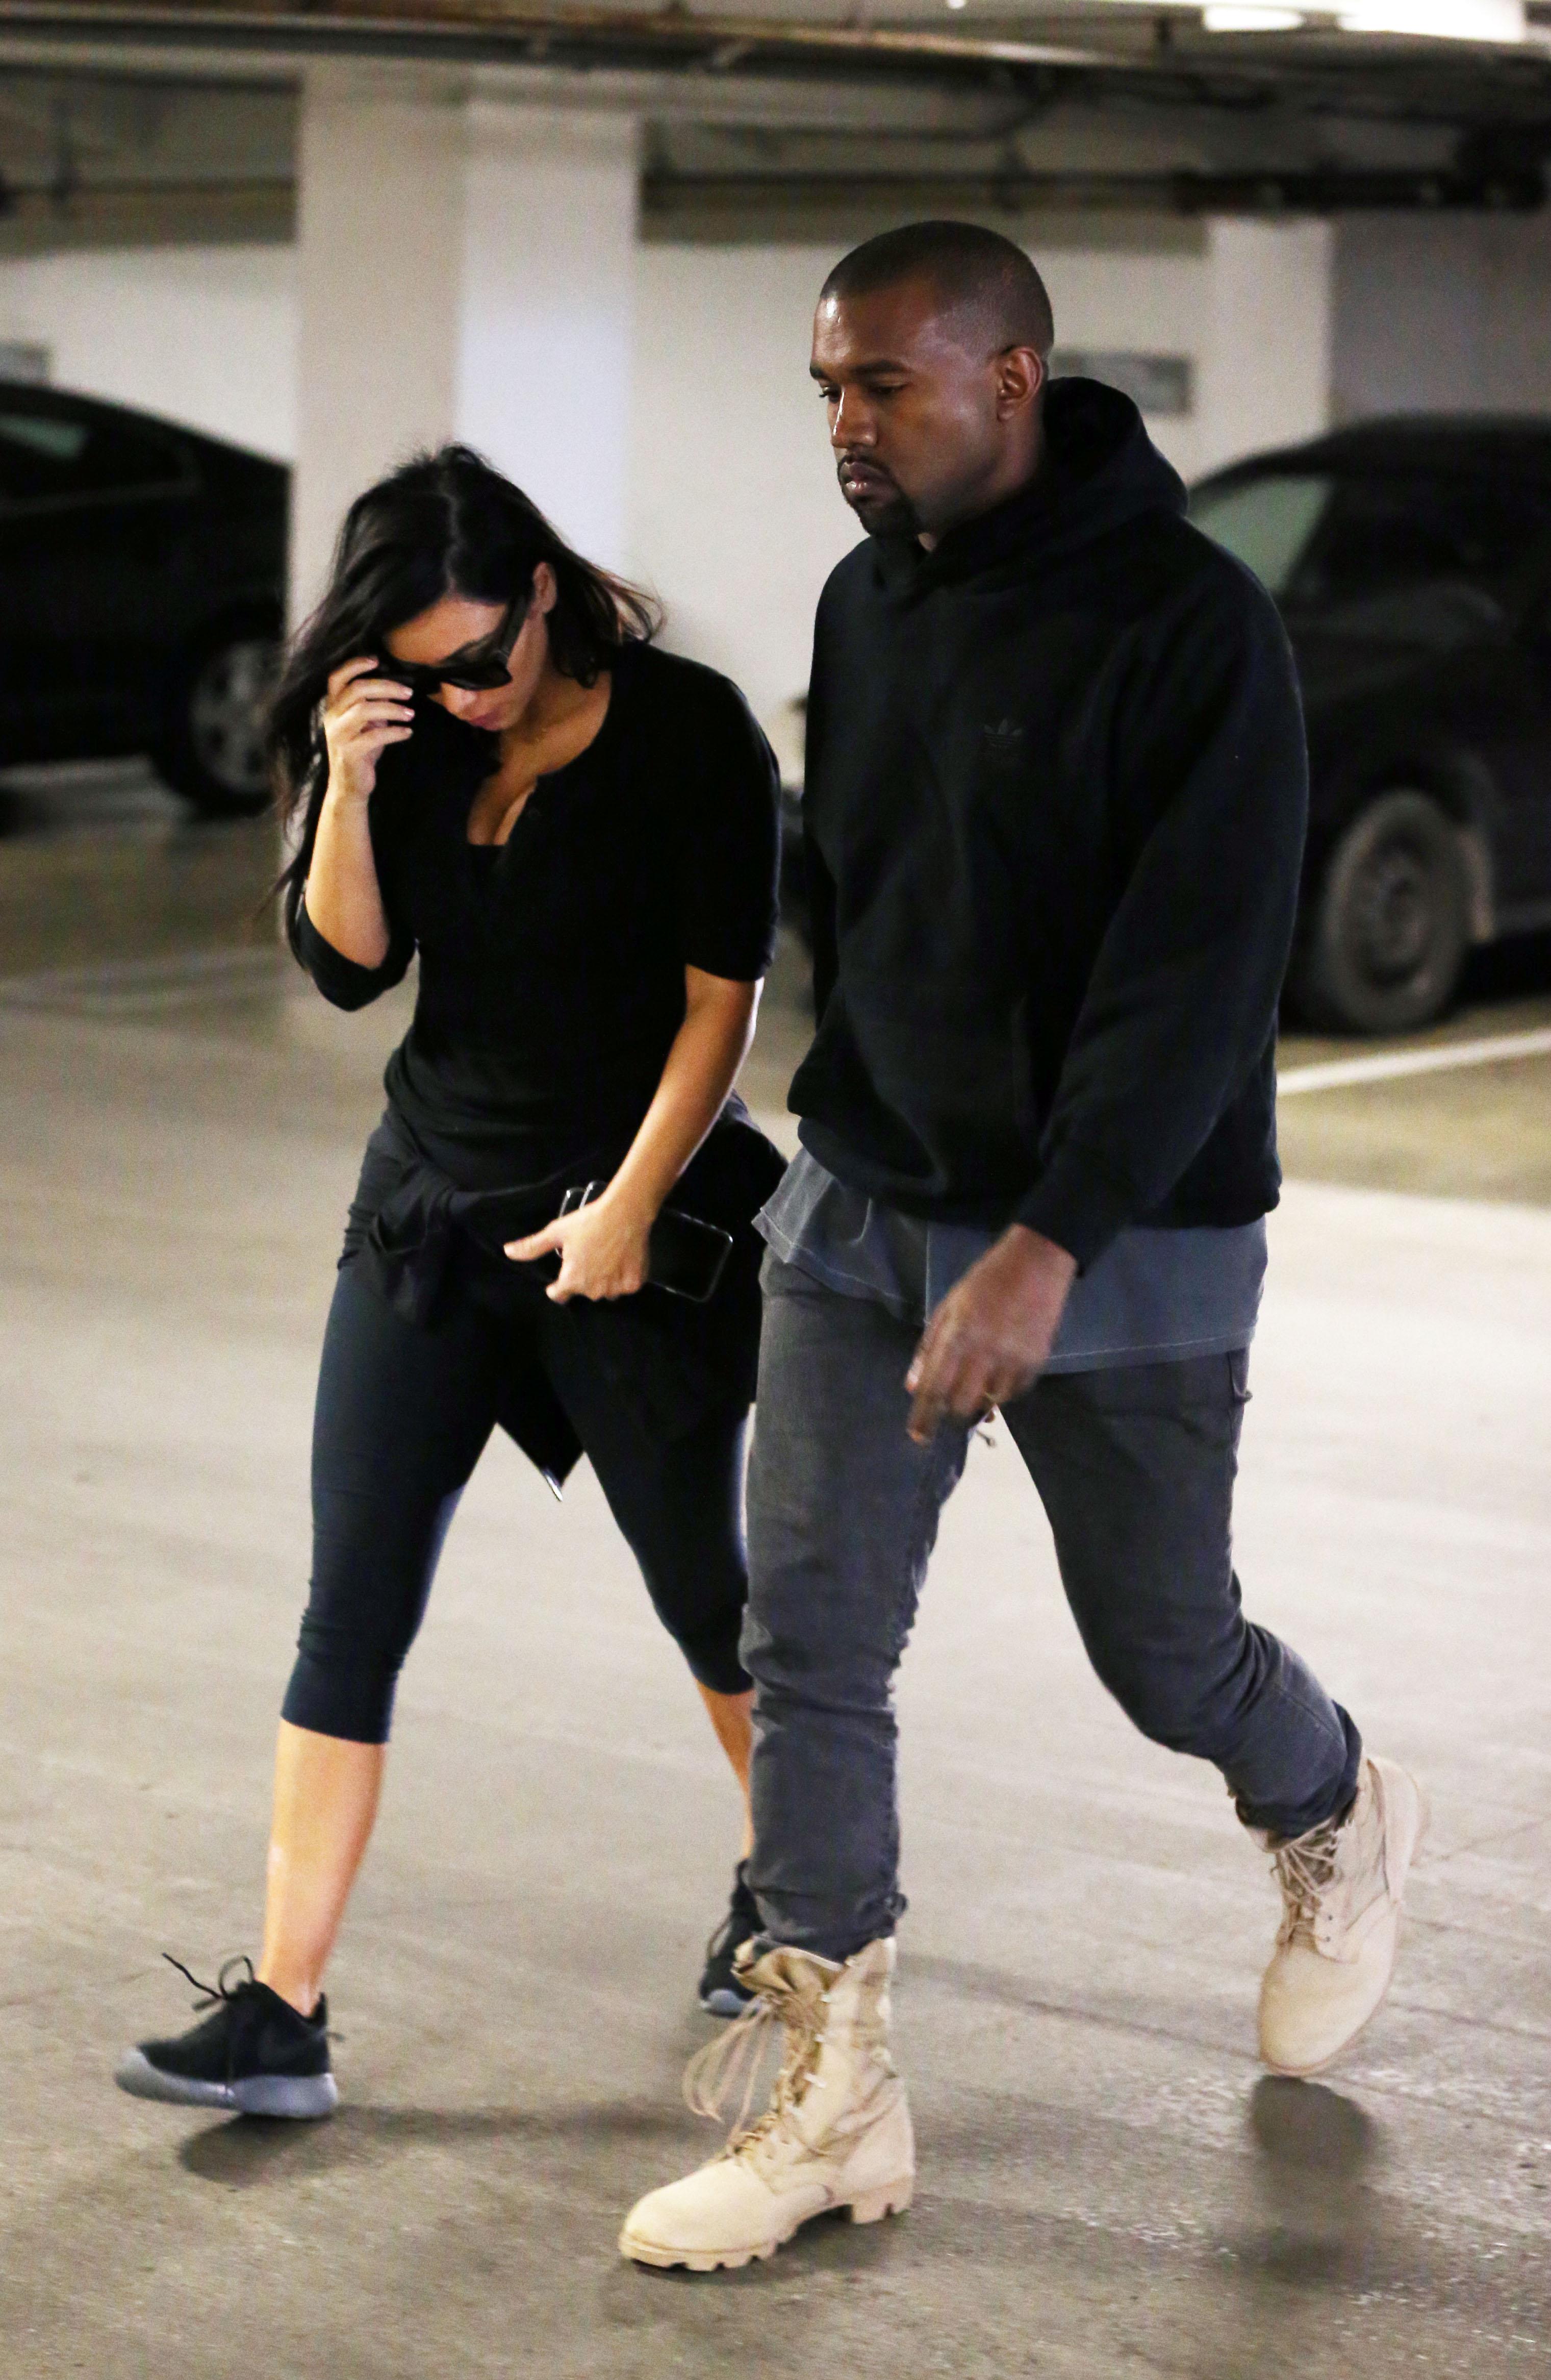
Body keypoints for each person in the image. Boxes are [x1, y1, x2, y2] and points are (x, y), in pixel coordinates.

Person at [619, 222, 1427, 2271]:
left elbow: (1195, 977)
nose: (844, 427)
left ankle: (1328, 1802)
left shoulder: (1190, 628)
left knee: (1159, 1650)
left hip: (1124, 1234)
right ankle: (835, 2099)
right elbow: (864, 906)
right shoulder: (862, 604)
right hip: (868, 1204)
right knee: (808, 1640)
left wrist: (1043, 1240)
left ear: (1007, 378)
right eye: (823, 389)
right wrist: (826, 1157)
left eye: (880, 385)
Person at [116, 446, 782, 2119]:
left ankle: (800, 1895)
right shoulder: (403, 737)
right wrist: (346, 781)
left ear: (544, 592)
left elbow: (725, 1004)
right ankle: (283, 2008)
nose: (461, 696)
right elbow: (349, 972)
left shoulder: (689, 730)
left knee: (711, 1598)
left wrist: (631, 1207)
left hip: (619, 1229)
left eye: (482, 658)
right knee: (350, 1606)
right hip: (423, 1212)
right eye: (418, 673)